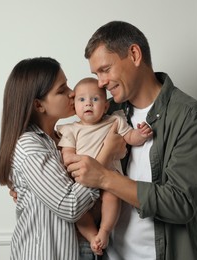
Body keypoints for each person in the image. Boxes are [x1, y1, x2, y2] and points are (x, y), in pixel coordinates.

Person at [64, 21, 197, 260]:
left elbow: (181, 203)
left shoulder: (188, 116)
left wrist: (105, 177)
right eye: (96, 74)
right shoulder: (106, 112)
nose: (100, 83)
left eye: (105, 69)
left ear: (134, 54)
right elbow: (68, 150)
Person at [0, 57, 119, 260]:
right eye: (62, 90)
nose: (72, 93)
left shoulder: (61, 138)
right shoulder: (30, 147)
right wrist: (107, 154)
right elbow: (70, 207)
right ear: (39, 105)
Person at [57, 77, 152, 258]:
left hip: (109, 179)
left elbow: (129, 137)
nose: (88, 104)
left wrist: (140, 134)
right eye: (82, 99)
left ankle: (104, 231)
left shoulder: (114, 121)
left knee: (112, 197)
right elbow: (68, 155)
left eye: (95, 99)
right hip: (82, 183)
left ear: (106, 106)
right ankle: (92, 236)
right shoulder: (71, 129)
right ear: (74, 105)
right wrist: (72, 161)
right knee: (80, 212)